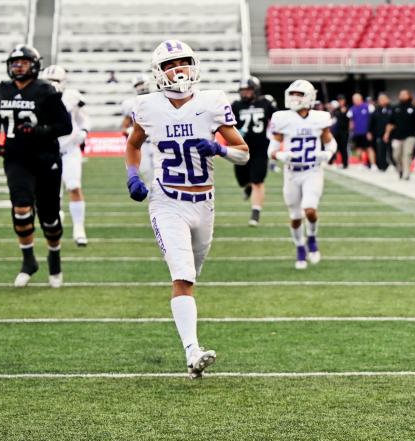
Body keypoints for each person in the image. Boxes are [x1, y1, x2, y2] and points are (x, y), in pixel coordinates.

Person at [125, 40, 249, 378]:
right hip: (167, 201)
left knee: (193, 274)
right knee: (182, 276)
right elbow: (133, 144)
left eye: (183, 62)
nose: (178, 69)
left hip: (204, 202)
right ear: (159, 72)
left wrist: (218, 149)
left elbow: (244, 152)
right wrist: (132, 173)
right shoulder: (148, 106)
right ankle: (192, 351)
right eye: (170, 64)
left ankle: (193, 355)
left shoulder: (212, 102)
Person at [0, 45, 72, 288]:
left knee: (49, 218)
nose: (17, 66)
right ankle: (28, 261)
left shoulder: (46, 90)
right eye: (14, 63)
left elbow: (64, 126)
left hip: (45, 158)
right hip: (16, 158)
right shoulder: (1, 90)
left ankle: (54, 257)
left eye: (23, 62)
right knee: (21, 208)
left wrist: (39, 131)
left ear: (34, 65)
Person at [268, 79, 336, 270]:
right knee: (296, 216)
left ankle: (312, 238)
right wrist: (281, 154)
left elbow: (331, 143)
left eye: (299, 95)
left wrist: (328, 153)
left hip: (312, 170)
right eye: (292, 94)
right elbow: (271, 149)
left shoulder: (319, 118)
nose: (294, 98)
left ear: (309, 97)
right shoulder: (282, 118)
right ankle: (300, 247)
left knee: (310, 209)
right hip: (291, 173)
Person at [43, 65, 91, 247]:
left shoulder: (72, 96)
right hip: (48, 151)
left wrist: (84, 131)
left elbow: (84, 118)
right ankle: (58, 218)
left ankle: (79, 228)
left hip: (69, 150)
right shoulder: (38, 96)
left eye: (55, 81)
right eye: (49, 82)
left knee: (74, 186)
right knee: (51, 193)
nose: (52, 85)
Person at [231, 76, 277, 226]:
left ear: (255, 90)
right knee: (243, 181)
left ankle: (255, 213)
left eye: (248, 90)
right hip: (241, 148)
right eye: (243, 91)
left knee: (258, 181)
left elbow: (277, 119)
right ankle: (247, 187)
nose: (245, 93)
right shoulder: (236, 105)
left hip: (260, 148)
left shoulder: (266, 102)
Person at [121, 74, 155, 180]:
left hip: (157, 141)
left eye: (141, 83)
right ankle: (153, 195)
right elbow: (125, 126)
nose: (140, 87)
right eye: (137, 85)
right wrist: (129, 130)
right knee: (146, 172)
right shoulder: (130, 103)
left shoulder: (159, 99)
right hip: (142, 144)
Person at [384, 89, 415, 180]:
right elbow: (390, 123)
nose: (403, 96)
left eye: (405, 94)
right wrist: (387, 133)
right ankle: (400, 169)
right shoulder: (395, 108)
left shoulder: (413, 108)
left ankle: (406, 174)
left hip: (410, 136)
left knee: (407, 154)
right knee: (396, 156)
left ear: (409, 96)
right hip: (397, 136)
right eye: (401, 94)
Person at [369, 93, 392, 171]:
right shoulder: (376, 110)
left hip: (392, 134)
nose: (381, 101)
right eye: (380, 100)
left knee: (392, 150)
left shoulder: (392, 109)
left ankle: (393, 163)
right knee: (381, 150)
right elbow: (371, 122)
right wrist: (369, 132)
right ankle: (382, 166)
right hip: (379, 134)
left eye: (383, 99)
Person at [348, 93, 372, 168]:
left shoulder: (368, 107)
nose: (354, 101)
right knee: (359, 148)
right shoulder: (352, 109)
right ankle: (361, 163)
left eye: (356, 99)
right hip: (357, 132)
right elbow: (351, 121)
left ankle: (372, 164)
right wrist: (351, 130)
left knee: (369, 148)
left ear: (360, 99)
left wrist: (370, 131)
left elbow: (372, 119)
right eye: (353, 99)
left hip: (367, 132)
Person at [331, 94, 350, 169]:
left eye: (341, 100)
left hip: (344, 131)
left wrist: (344, 113)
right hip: (337, 131)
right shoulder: (336, 110)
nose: (340, 101)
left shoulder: (348, 109)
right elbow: (334, 120)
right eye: (339, 100)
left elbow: (350, 120)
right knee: (336, 147)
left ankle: (345, 163)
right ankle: (335, 162)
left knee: (344, 148)